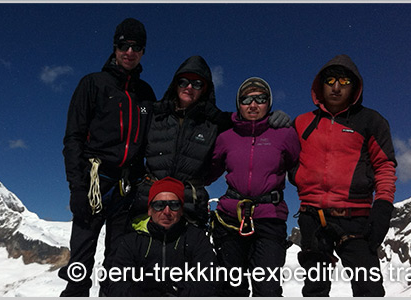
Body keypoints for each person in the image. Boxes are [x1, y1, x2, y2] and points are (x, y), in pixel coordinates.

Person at [58, 17, 156, 297]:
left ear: (143, 52)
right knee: (80, 260)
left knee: (119, 264)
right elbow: (73, 138)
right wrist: (76, 187)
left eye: (136, 47)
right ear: (115, 48)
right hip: (94, 184)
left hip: (128, 188)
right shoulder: (93, 84)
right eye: (124, 45)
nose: (130, 52)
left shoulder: (146, 94)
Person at [135, 56, 292, 228]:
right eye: (184, 81)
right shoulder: (154, 114)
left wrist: (273, 117)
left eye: (197, 84)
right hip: (149, 202)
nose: (189, 87)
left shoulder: (215, 122)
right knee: (139, 251)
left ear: (205, 89)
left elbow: (249, 120)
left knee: (188, 254)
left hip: (190, 207)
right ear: (175, 84)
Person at [291, 54, 396, 297]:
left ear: (355, 86)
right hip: (312, 217)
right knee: (315, 289)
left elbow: (385, 166)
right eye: (330, 81)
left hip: (356, 219)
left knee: (368, 288)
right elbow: (284, 155)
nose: (336, 87)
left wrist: (382, 208)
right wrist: (298, 176)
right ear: (320, 84)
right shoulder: (302, 123)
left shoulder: (371, 121)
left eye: (344, 82)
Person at [206, 77, 300, 296]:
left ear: (269, 103)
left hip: (270, 217)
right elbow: (209, 172)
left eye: (260, 98)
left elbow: (300, 169)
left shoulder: (285, 134)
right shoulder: (226, 137)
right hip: (230, 219)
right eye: (247, 99)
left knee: (267, 288)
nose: (253, 104)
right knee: (231, 287)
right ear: (239, 103)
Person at [105, 177, 218, 296]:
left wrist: (175, 291)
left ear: (181, 210)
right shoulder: (133, 241)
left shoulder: (196, 238)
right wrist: (142, 292)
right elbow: (116, 284)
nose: (167, 211)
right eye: (159, 205)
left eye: (174, 205)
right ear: (149, 210)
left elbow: (211, 282)